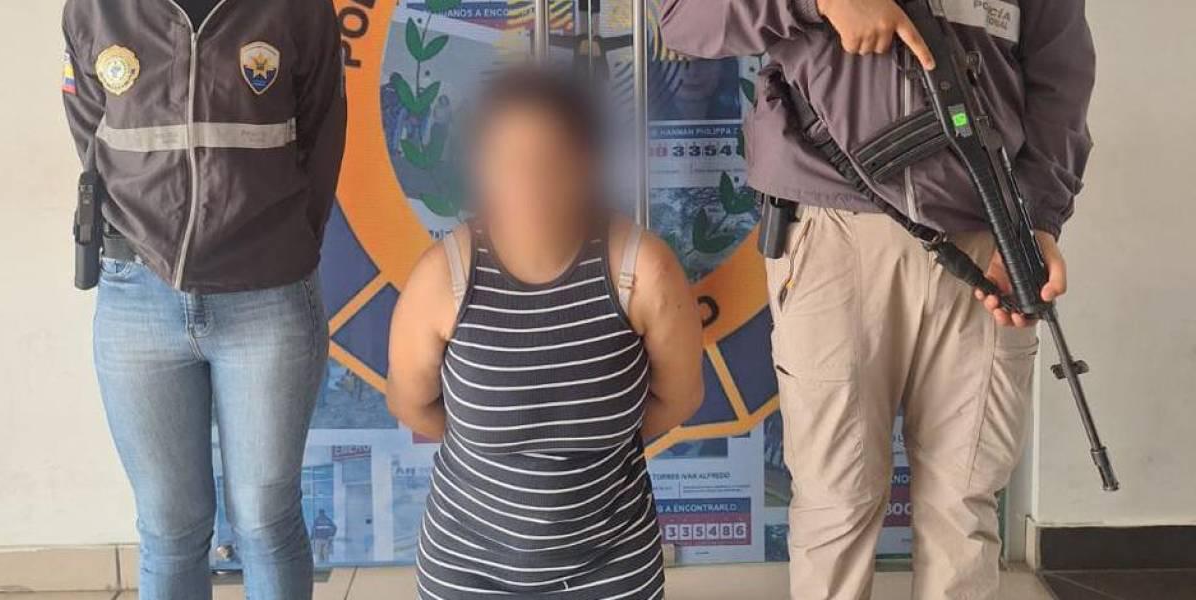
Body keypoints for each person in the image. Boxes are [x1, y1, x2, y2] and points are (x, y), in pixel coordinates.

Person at [660, 0, 1094, 598]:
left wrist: (1037, 220)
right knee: (835, 505)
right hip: (833, 230)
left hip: (987, 240)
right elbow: (686, 19)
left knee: (965, 507)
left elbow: (1060, 75)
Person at [61, 0, 346, 598]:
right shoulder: (95, 9)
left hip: (267, 297)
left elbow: (323, 134)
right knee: (169, 527)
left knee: (265, 521)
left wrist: (287, 243)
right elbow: (91, 134)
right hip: (137, 296)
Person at [386, 66, 704, 599]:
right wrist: (495, 448)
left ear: (587, 163)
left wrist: (592, 449)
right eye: (508, 161)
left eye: (549, 161)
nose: (528, 184)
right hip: (468, 566)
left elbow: (679, 397)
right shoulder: (444, 278)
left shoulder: (644, 270)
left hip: (612, 563)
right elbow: (409, 402)